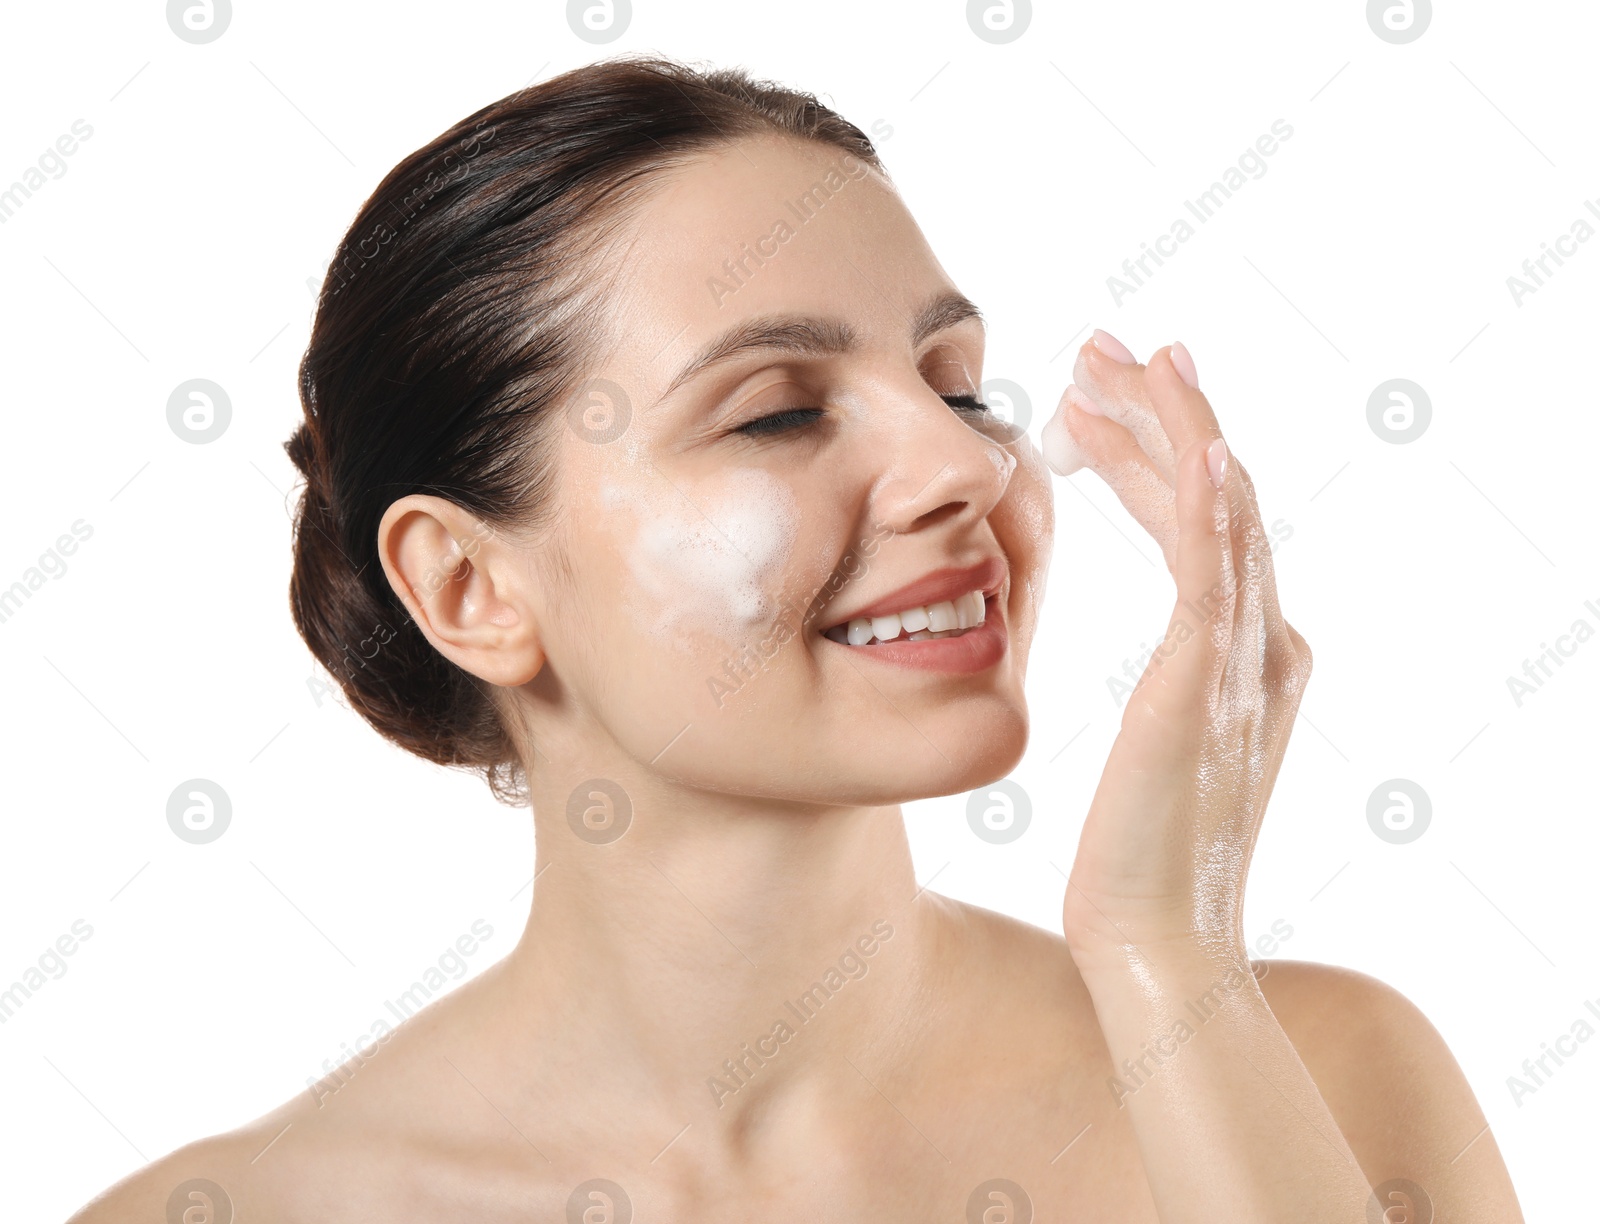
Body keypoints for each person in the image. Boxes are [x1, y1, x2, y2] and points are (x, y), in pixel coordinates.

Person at [70, 55, 1523, 1222]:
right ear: (470, 589)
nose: (968, 468)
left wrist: (1164, 958)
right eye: (776, 409)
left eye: (954, 384)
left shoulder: (1322, 1083)